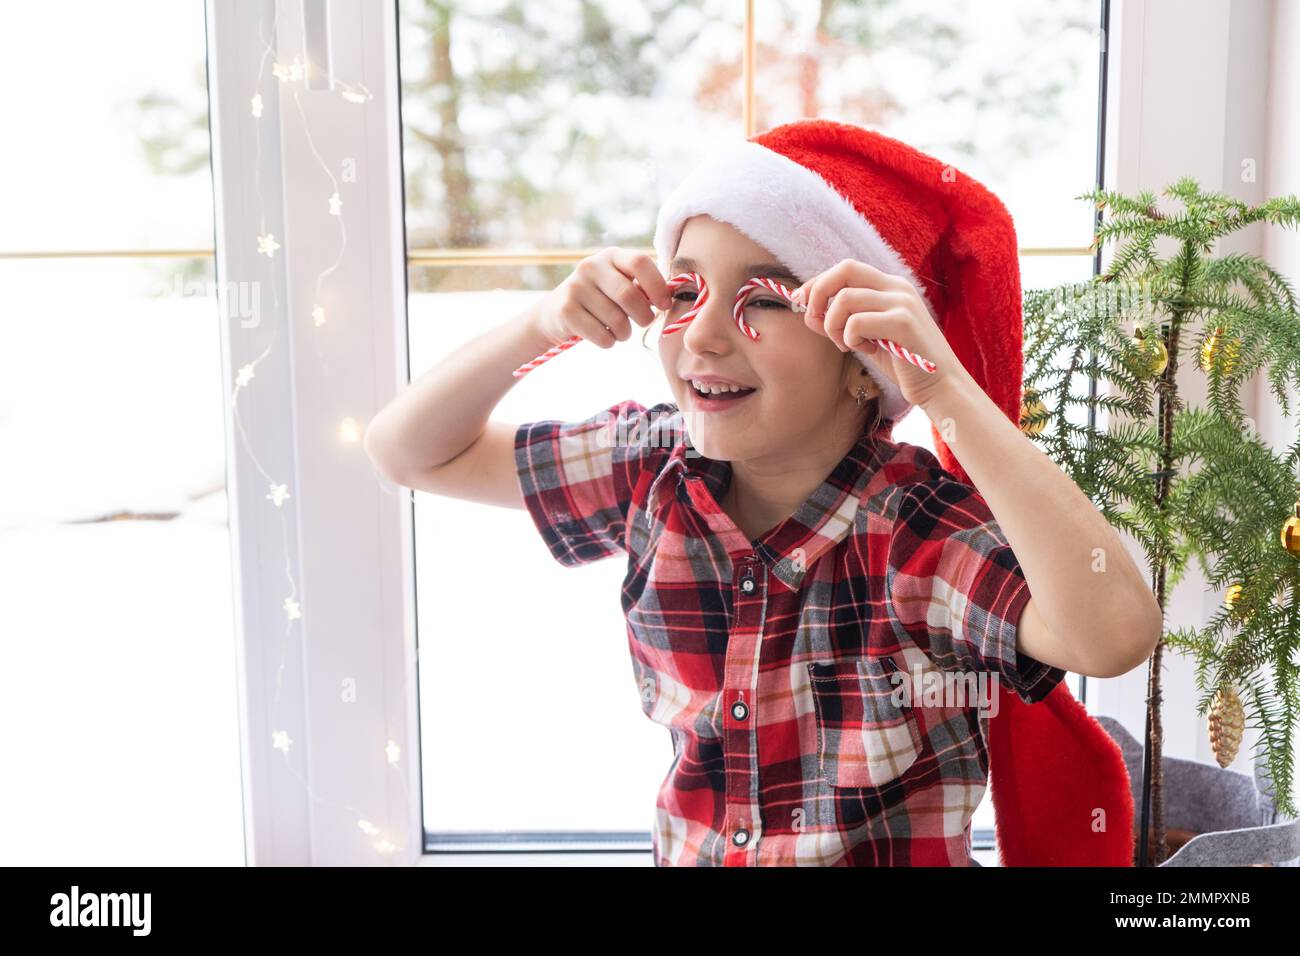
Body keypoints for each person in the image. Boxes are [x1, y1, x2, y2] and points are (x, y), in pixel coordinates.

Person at [364, 118, 1160, 866]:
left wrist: (945, 386)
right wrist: (544, 324)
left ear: (864, 363)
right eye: (683, 293)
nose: (704, 335)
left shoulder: (918, 536)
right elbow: (409, 451)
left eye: (767, 301)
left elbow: (1113, 634)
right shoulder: (650, 468)